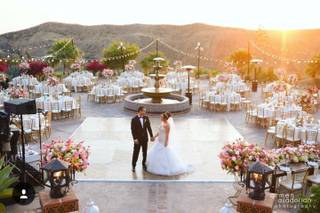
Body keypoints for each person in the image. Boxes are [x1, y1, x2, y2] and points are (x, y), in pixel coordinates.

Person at [146, 112, 192, 176]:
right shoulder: (162, 123)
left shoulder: (167, 125)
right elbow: (159, 132)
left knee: (164, 154)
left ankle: (165, 168)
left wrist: (166, 143)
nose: (160, 118)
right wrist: (154, 136)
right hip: (159, 141)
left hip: (163, 141)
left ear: (165, 118)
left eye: (161, 117)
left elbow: (167, 135)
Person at [130, 106, 154, 172]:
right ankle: (133, 166)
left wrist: (151, 136)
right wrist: (135, 139)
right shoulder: (134, 119)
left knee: (144, 152)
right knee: (136, 153)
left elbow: (149, 128)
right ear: (140, 111)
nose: (145, 112)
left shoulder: (146, 118)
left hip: (145, 139)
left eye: (145, 111)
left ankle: (144, 165)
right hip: (137, 139)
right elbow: (133, 130)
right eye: (144, 111)